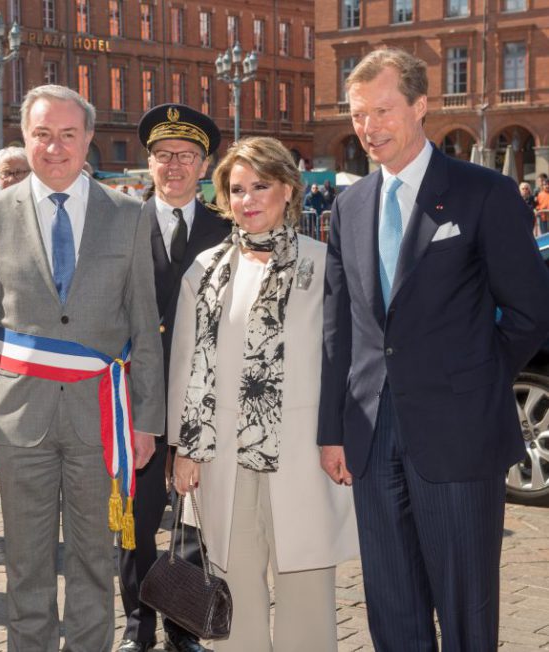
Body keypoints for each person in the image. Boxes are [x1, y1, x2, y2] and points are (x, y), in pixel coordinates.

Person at [318, 48, 549, 650]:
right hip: (372, 434)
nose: (369, 127)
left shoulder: (485, 192)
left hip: (460, 432)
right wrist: (332, 430)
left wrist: (474, 380)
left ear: (421, 106)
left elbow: (530, 311)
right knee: (391, 604)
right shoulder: (349, 205)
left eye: (383, 110)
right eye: (359, 114)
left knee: (466, 604)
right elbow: (338, 327)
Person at [0, 84, 164, 651]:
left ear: (89, 139)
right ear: (25, 138)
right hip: (17, 420)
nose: (54, 147)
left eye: (68, 135)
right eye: (42, 134)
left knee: (96, 564)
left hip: (102, 420)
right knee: (25, 568)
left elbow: (144, 326)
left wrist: (146, 420)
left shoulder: (128, 215)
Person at [168, 137, 358, 651]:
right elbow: (186, 364)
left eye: (260, 186)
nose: (247, 199)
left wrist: (340, 438)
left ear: (288, 191)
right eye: (236, 189)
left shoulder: (324, 264)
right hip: (222, 458)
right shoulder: (205, 270)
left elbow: (345, 362)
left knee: (306, 588)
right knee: (232, 590)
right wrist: (185, 450)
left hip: (303, 452)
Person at [117, 103, 231, 652]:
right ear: (150, 163)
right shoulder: (121, 224)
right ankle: (137, 627)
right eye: (164, 156)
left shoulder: (226, 230)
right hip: (136, 403)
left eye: (186, 156)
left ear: (205, 165)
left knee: (193, 524)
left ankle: (182, 629)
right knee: (136, 527)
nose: (174, 166)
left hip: (200, 403)